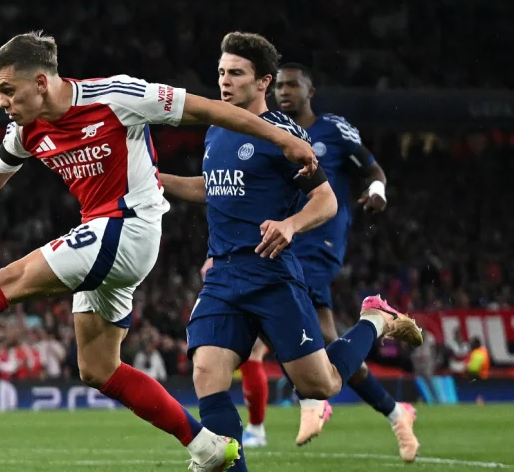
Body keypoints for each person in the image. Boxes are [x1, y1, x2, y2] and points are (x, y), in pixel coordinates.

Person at [0, 30, 326, 472]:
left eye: (8, 90)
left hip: (129, 226)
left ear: (41, 82)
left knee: (8, 282)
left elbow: (206, 109)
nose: (2, 102)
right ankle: (204, 445)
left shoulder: (118, 96)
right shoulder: (26, 130)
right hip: (103, 235)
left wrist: (282, 138)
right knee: (98, 369)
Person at [159, 32, 424, 472]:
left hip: (271, 274)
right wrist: (157, 179)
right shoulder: (216, 130)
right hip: (223, 275)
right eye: (221, 72)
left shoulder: (284, 134)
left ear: (262, 81)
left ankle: (375, 320)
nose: (224, 81)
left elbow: (326, 199)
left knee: (321, 385)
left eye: (236, 73)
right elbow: (212, 188)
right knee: (207, 374)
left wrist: (290, 224)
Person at [230, 63, 417, 460]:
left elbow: (372, 168)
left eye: (292, 85)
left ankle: (312, 400)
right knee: (330, 345)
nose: (284, 91)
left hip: (320, 239)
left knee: (280, 319)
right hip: (283, 238)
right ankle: (395, 410)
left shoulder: (334, 128)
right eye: (280, 85)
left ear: (310, 91)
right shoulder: (270, 129)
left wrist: (378, 190)